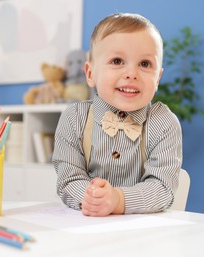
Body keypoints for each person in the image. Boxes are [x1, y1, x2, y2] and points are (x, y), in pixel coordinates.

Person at [52, 13, 182, 217]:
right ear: (90, 74)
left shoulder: (164, 123)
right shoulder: (74, 118)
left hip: (143, 233)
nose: (131, 73)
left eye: (145, 64)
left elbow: (162, 188)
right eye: (117, 61)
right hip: (86, 226)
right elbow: (69, 178)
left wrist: (118, 200)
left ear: (158, 78)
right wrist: (93, 198)